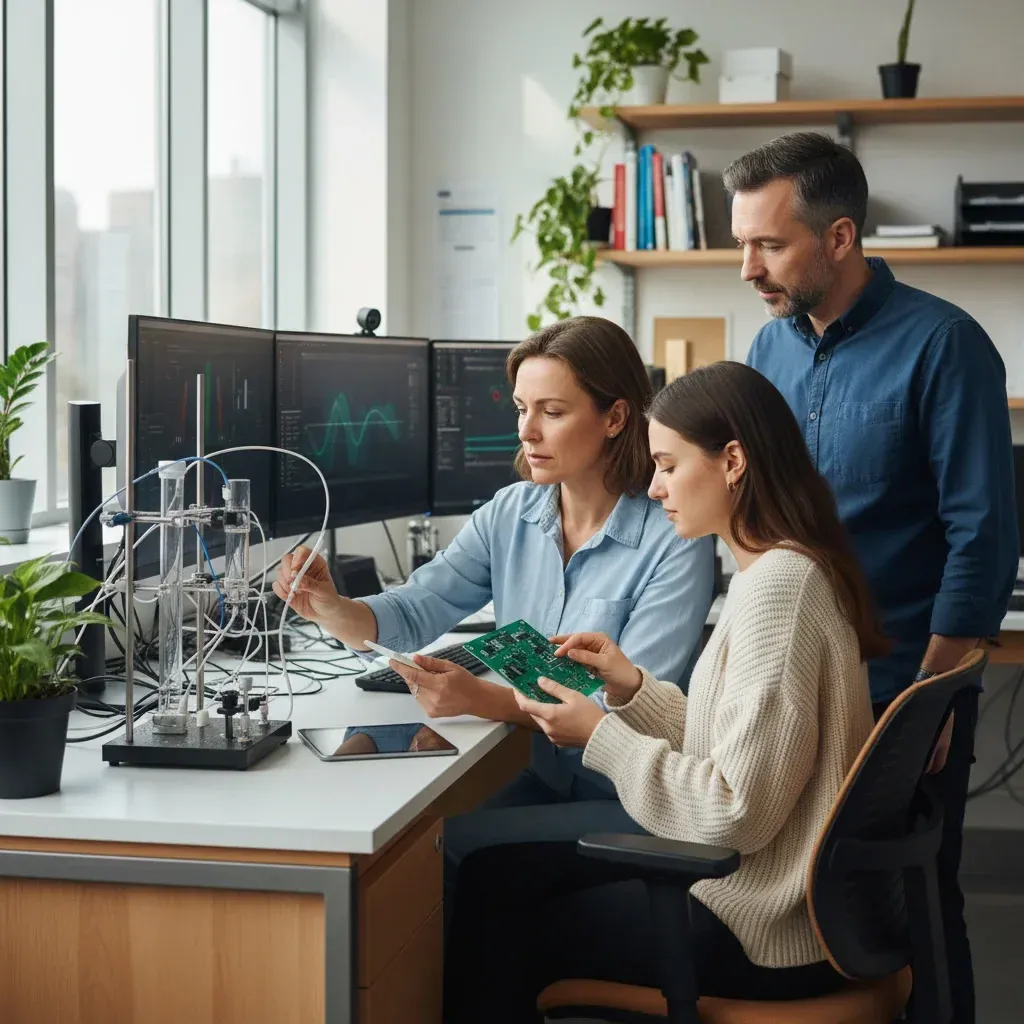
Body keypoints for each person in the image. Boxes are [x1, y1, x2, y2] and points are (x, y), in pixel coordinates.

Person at [443, 361, 885, 1023]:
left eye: (668, 466)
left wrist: (602, 738)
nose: (653, 489)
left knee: (493, 905)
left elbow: (735, 813)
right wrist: (631, 687)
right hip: (787, 905)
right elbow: (735, 745)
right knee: (495, 872)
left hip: (759, 928)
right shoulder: (782, 567)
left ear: (732, 460)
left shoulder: (776, 592)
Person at [725, 130, 1018, 1024]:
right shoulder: (769, 352)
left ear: (841, 237)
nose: (748, 269)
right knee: (794, 898)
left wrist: (929, 695)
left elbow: (984, 529)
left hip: (897, 684)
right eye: (743, 243)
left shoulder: (946, 345)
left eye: (769, 245)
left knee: (914, 901)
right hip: (789, 677)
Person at [273, 315, 715, 886]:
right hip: (551, 782)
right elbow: (411, 614)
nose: (527, 431)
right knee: (409, 845)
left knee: (432, 857)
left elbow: (628, 712)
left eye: (551, 412)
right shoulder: (511, 512)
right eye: (520, 409)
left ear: (615, 417)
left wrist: (481, 698)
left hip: (634, 801)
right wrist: (328, 606)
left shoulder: (674, 538)